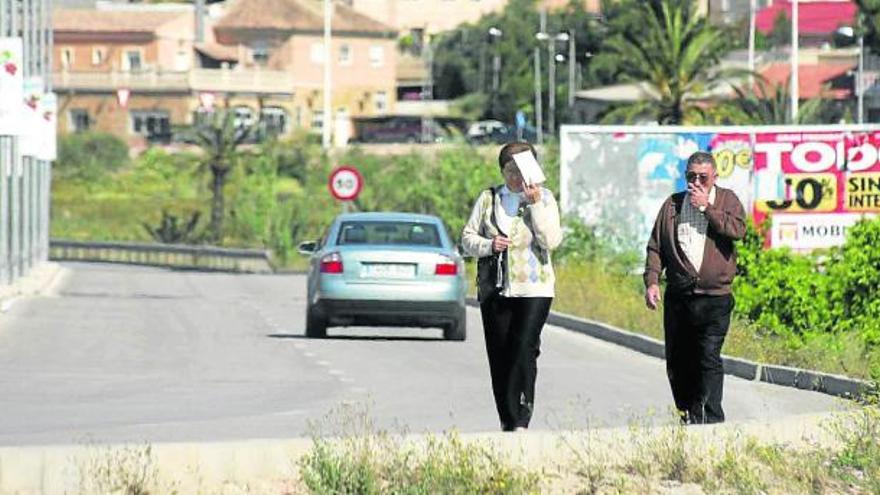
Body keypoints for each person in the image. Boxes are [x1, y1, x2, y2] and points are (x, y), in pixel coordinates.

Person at [461, 142, 563, 432]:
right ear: (502, 171)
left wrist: (535, 205)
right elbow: (467, 239)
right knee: (500, 352)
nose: (517, 178)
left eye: (522, 171)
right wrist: (489, 245)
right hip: (496, 287)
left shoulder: (545, 198)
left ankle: (522, 416)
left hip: (535, 288)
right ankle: (507, 418)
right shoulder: (488, 198)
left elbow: (551, 241)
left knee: (524, 347)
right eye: (511, 171)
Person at [644, 151, 746, 424]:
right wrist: (652, 281)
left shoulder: (727, 200)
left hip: (715, 298)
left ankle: (711, 419)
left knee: (707, 356)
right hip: (680, 297)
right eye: (691, 176)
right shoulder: (672, 205)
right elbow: (656, 247)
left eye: (703, 177)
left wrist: (706, 208)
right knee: (678, 361)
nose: (697, 182)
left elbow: (737, 230)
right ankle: (688, 413)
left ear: (714, 177)